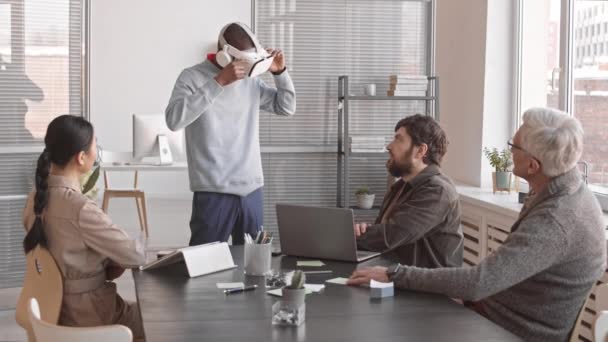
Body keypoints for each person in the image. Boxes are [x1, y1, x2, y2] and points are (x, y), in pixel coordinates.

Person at [348, 107, 607, 342]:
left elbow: (479, 282)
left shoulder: (556, 220)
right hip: (491, 309)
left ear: (532, 165)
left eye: (513, 146)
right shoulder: (559, 189)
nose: (508, 151)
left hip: (512, 329)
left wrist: (395, 274)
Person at [165, 22, 296, 246]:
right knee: (204, 267)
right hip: (213, 191)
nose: (248, 68)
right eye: (244, 61)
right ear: (225, 56)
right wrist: (219, 82)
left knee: (253, 267)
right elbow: (174, 120)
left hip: (252, 189)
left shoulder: (251, 81)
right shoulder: (191, 77)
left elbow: (286, 107)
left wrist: (280, 73)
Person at [22, 115, 146, 339]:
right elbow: (135, 255)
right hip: (89, 314)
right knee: (158, 319)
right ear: (81, 157)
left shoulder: (34, 199)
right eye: (95, 145)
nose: (96, 152)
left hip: (51, 310)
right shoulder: (79, 208)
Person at [354, 114, 463, 267]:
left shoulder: (438, 191)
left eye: (398, 139)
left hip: (426, 287)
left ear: (420, 151)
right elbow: (385, 233)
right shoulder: (400, 186)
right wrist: (365, 230)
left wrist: (348, 236)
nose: (389, 146)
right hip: (393, 275)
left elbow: (391, 236)